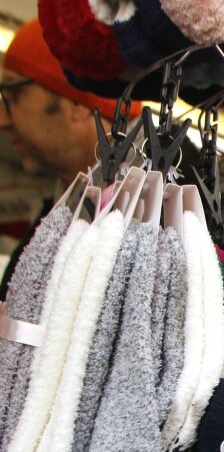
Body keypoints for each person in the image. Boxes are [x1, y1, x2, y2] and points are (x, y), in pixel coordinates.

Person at [0, 18, 144, 300]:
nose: (3, 119)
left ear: (77, 104)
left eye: (12, 95)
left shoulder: (168, 212)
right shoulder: (51, 223)